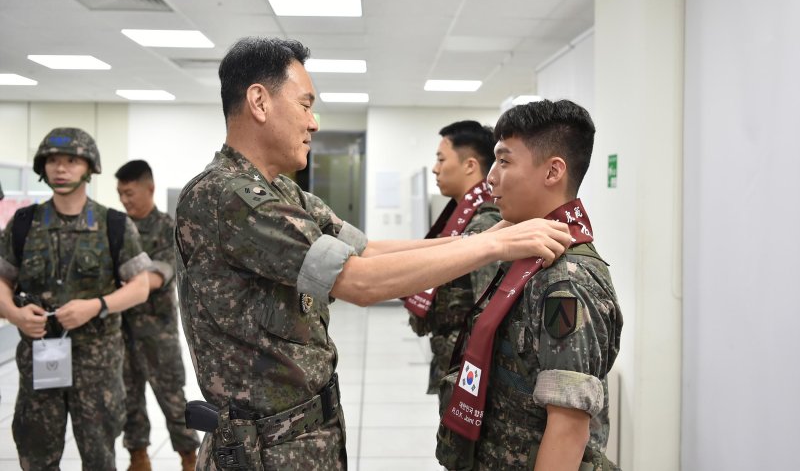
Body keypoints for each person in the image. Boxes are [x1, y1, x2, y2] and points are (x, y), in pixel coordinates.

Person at [175, 36, 573, 471]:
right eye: (305, 105)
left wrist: (480, 237)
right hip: (262, 452)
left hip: (303, 435)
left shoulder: (281, 190)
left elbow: (368, 250)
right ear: (259, 102)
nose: (314, 123)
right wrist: (495, 244)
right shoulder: (230, 198)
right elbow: (360, 281)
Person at [435, 100, 623, 470]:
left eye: (504, 162)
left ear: (553, 171)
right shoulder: (529, 254)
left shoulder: (567, 283)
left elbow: (568, 428)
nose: (490, 178)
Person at [0, 127, 152, 470]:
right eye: (53, 161)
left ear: (88, 168)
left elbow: (140, 286)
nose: (61, 168)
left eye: (71, 160)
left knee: (99, 457)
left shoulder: (113, 224)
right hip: (40, 361)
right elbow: (2, 279)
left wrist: (96, 306)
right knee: (36, 454)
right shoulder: (24, 223)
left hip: (96, 367)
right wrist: (13, 313)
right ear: (43, 168)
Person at [405, 121, 501, 398]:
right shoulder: (460, 217)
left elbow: (489, 312)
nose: (435, 168)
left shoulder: (484, 224)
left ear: (470, 165)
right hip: (450, 358)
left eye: (441, 159)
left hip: (469, 369)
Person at [115, 160, 200, 471]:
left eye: (129, 193)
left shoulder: (168, 228)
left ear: (149, 188)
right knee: (129, 401)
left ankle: (189, 459)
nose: (124, 200)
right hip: (121, 332)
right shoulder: (117, 228)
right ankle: (138, 458)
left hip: (157, 332)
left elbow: (159, 275)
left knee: (173, 401)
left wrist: (128, 285)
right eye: (120, 194)